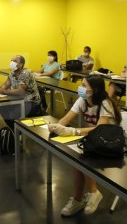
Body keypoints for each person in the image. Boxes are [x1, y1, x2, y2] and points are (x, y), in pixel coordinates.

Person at [47, 75, 122, 216]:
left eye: (84, 85)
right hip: (95, 140)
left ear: (95, 89)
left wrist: (74, 131)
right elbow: (67, 117)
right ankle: (78, 199)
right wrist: (56, 126)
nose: (80, 88)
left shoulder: (105, 103)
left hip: (110, 143)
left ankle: (92, 193)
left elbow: (100, 129)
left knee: (82, 156)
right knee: (77, 156)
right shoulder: (83, 100)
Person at [0, 55, 42, 131]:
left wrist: (3, 91)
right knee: (2, 108)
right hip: (19, 100)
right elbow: (6, 85)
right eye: (11, 60)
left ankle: (18, 131)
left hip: (31, 102)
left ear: (21, 64)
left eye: (15, 61)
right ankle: (15, 130)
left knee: (13, 113)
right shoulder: (12, 73)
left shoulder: (25, 73)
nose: (12, 62)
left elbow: (20, 91)